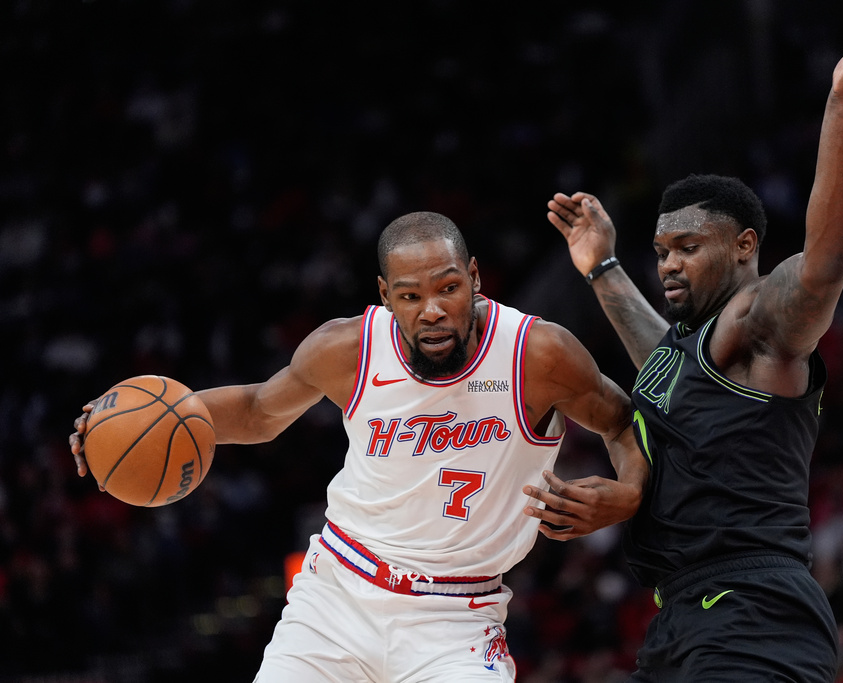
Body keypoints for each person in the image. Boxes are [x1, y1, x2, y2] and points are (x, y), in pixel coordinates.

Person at [69, 211, 649, 682]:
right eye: (410, 295)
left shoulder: (537, 354)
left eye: (449, 287)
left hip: (455, 618)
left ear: (475, 276)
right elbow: (257, 412)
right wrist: (116, 430)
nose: (433, 310)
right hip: (337, 598)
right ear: (384, 295)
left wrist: (628, 494)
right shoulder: (347, 348)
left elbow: (623, 423)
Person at [541, 4, 843, 681]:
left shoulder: (755, 320)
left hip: (752, 610)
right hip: (685, 614)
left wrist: (842, 103)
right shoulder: (691, 352)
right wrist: (602, 267)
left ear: (745, 246)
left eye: (688, 247)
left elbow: (827, 262)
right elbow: (657, 355)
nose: (667, 265)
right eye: (661, 250)